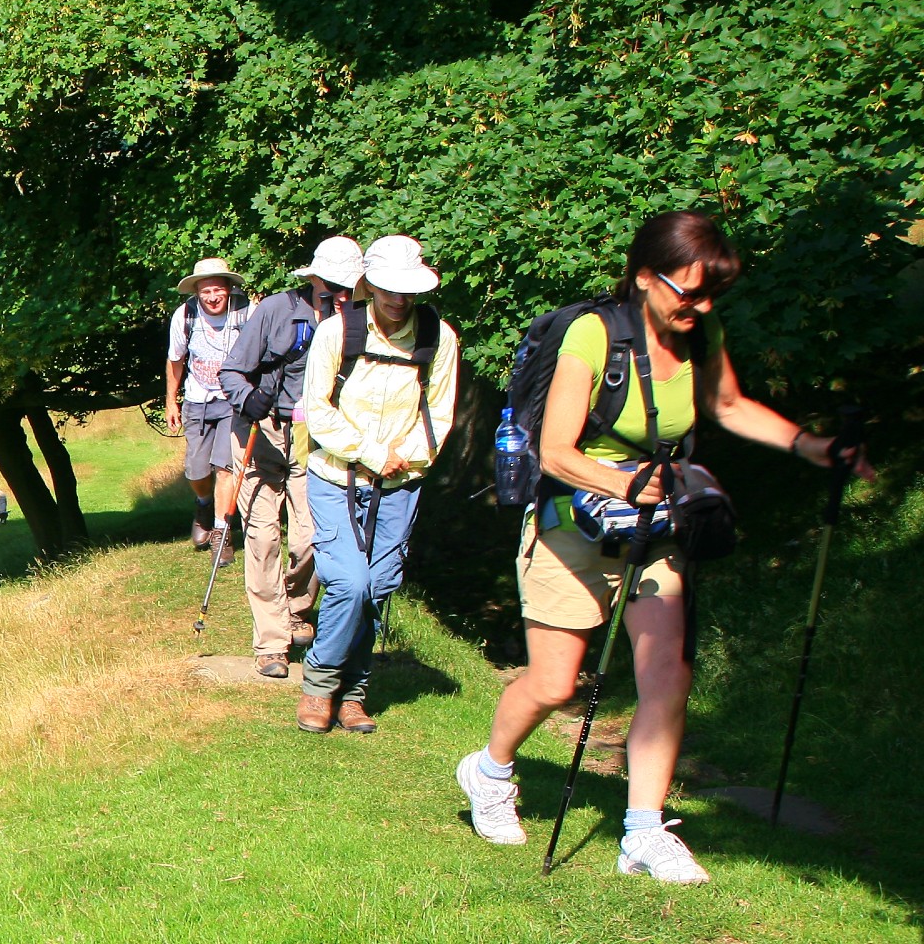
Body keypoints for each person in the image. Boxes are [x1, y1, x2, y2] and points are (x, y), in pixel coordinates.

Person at [454, 212, 874, 882]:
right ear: (646, 277)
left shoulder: (701, 331)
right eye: (690, 291)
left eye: (713, 295)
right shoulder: (594, 335)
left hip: (655, 520)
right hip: (573, 517)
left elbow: (730, 406)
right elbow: (556, 449)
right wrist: (626, 482)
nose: (702, 306)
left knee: (668, 674)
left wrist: (812, 446)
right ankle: (490, 770)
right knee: (555, 682)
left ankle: (643, 832)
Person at [295, 235, 457, 734]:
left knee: (379, 587)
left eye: (406, 290)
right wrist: (370, 452)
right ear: (369, 284)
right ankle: (320, 686)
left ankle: (354, 695)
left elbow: (440, 411)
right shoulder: (334, 332)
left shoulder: (438, 337)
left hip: (401, 482)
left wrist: (407, 458)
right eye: (387, 289)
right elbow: (317, 411)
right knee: (349, 582)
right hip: (335, 476)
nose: (397, 299)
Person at [218, 236, 360, 678]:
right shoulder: (277, 310)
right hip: (262, 432)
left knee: (310, 538)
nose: (338, 292)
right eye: (331, 284)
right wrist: (248, 398)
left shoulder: (357, 320)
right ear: (313, 277)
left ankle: (297, 608)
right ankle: (272, 643)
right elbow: (231, 370)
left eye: (347, 286)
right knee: (262, 538)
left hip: (316, 436)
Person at [165, 257, 253, 562]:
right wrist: (170, 401)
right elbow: (175, 359)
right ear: (196, 292)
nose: (213, 297)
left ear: (228, 288)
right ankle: (203, 502)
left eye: (218, 289)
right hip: (197, 400)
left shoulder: (246, 313)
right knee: (196, 469)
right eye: (206, 291)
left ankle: (221, 533)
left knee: (224, 467)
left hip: (233, 402)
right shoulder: (185, 316)